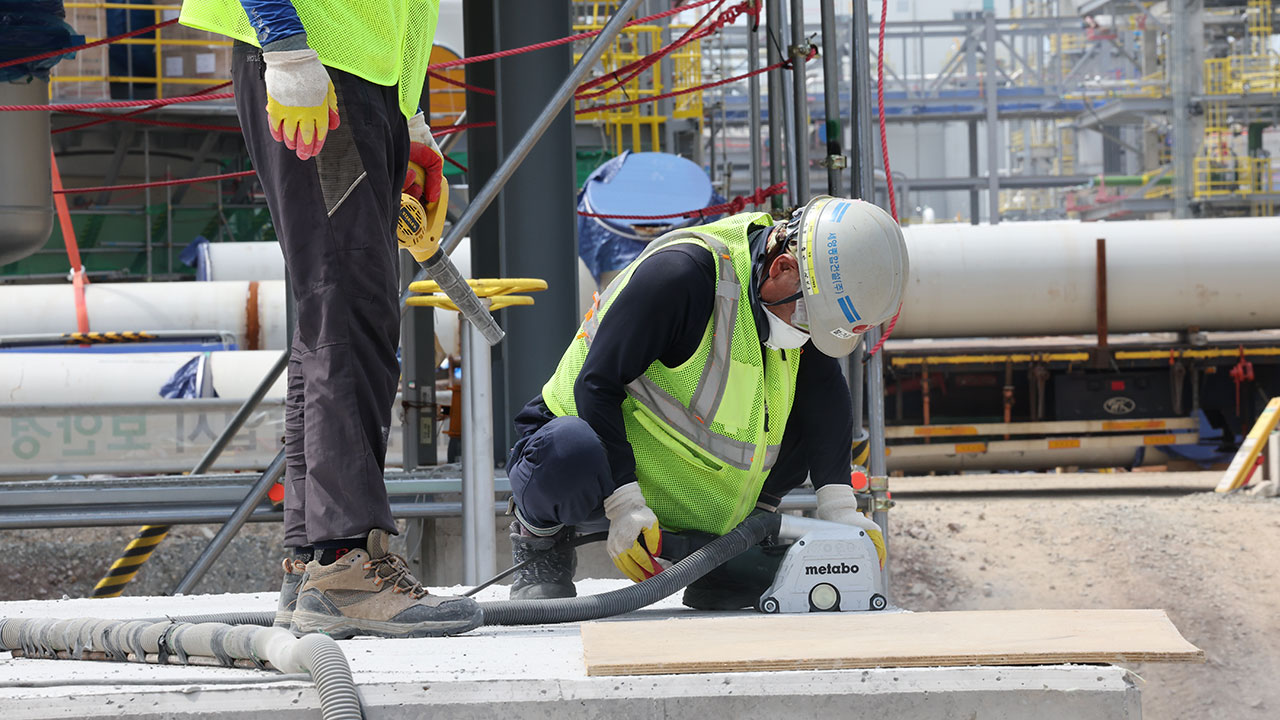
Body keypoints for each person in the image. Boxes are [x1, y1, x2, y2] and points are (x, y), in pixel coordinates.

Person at [179, 0, 481, 638]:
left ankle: (313, 558)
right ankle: (346, 560)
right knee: (346, 301)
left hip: (359, 78)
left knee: (335, 306)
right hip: (319, 65)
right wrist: (285, 43)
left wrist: (412, 117)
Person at [505, 196, 909, 606]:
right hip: (593, 469)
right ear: (782, 267)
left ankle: (737, 549)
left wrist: (839, 507)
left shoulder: (798, 300)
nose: (808, 334)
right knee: (570, 448)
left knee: (810, 404)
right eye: (808, 320)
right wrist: (625, 504)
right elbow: (595, 386)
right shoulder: (682, 277)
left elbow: (825, 395)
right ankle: (540, 542)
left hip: (691, 492)